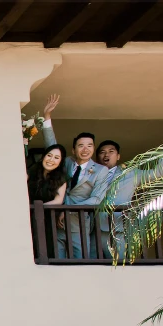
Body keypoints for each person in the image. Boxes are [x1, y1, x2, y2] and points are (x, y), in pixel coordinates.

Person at [94, 125, 163, 260]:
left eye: (111, 151)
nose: (106, 154)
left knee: (121, 265)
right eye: (102, 152)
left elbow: (160, 172)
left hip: (118, 227)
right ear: (97, 157)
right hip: (91, 227)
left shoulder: (130, 173)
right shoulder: (91, 174)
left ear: (118, 156)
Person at [38, 94, 109, 258]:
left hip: (80, 221)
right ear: (73, 150)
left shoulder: (100, 170)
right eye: (81, 146)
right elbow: (52, 148)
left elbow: (97, 199)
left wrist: (68, 210)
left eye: (89, 146)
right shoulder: (68, 162)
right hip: (57, 219)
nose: (85, 149)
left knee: (81, 258)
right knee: (57, 257)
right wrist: (47, 117)